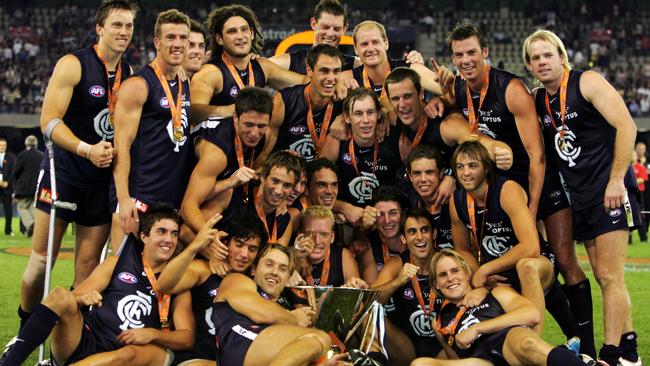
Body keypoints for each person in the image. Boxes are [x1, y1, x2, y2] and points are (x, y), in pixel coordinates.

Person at [523, 29, 642, 365]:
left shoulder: (586, 82)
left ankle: (610, 354)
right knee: (606, 278)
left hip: (610, 190)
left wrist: (617, 180)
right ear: (529, 66)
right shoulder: (538, 99)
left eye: (548, 55)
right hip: (581, 199)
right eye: (535, 58)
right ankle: (630, 353)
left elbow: (627, 126)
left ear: (561, 56)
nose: (543, 62)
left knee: (608, 275)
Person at [18, 0, 137, 332]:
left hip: (101, 182)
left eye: (129, 26)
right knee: (41, 262)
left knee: (87, 267)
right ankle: (25, 326)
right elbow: (48, 121)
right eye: (117, 25)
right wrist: (86, 149)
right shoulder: (73, 64)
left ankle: (73, 336)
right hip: (65, 173)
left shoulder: (130, 76)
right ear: (99, 28)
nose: (124, 32)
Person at [0, 204, 201, 366]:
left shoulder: (179, 282)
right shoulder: (119, 262)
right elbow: (70, 302)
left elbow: (187, 338)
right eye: (162, 232)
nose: (169, 240)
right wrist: (81, 299)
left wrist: (153, 334)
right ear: (144, 236)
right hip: (83, 342)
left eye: (174, 234)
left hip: (121, 355)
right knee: (61, 295)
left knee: (127, 354)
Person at [411, 249, 595, 366]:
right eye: (443, 275)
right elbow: (455, 358)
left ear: (466, 273)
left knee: (526, 342)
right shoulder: (439, 323)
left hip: (509, 342)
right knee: (420, 364)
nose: (450, 278)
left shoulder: (495, 293)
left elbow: (532, 314)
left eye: (455, 271)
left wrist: (477, 328)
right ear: (436, 284)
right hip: (479, 361)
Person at [450, 141, 556, 334]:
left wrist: (486, 269)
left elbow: (531, 247)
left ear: (486, 168)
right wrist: (478, 275)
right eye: (460, 167)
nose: (465, 173)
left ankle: (535, 346)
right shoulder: (456, 200)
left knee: (527, 266)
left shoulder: (507, 190)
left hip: (536, 262)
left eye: (473, 166)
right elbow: (461, 249)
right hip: (497, 275)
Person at [112, 9, 192, 249]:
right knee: (124, 275)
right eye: (171, 37)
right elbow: (121, 146)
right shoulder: (138, 85)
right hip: (140, 197)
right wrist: (124, 199)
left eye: (182, 38)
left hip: (171, 198)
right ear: (157, 42)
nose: (178, 44)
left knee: (160, 279)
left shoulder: (184, 81)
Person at [158, 212, 268, 366]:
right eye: (239, 244)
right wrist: (196, 245)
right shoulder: (203, 270)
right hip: (197, 359)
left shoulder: (255, 280)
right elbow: (164, 285)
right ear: (225, 241)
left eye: (252, 249)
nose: (244, 254)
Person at [180, 87, 273, 244]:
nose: (255, 133)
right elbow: (188, 206)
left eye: (261, 126)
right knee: (189, 232)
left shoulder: (266, 135)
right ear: (235, 117)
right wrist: (210, 238)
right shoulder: (216, 153)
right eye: (248, 125)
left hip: (216, 185)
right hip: (183, 188)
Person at [213, 244, 331, 366]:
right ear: (254, 269)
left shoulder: (285, 306)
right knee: (319, 338)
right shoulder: (237, 280)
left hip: (262, 352)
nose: (275, 272)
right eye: (269, 264)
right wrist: (295, 319)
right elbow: (262, 314)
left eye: (282, 269)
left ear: (288, 278)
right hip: (238, 346)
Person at [190, 4, 307, 122]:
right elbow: (194, 110)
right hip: (216, 138)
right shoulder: (211, 72)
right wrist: (233, 110)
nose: (240, 36)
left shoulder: (262, 66)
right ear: (219, 39)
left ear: (252, 33)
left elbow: (304, 82)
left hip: (252, 136)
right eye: (232, 32)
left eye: (244, 29)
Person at [372, 207, 442, 363]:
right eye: (412, 232)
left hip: (443, 345)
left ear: (434, 234)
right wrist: (397, 282)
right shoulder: (397, 264)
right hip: (407, 346)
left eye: (424, 230)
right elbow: (370, 301)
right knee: (369, 316)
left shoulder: (447, 262)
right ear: (403, 238)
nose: (419, 237)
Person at [264, 44, 345, 163]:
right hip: (288, 176)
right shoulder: (284, 101)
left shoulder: (345, 103)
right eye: (324, 71)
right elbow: (265, 154)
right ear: (309, 70)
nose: (331, 78)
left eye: (336, 71)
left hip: (324, 176)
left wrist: (343, 117)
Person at [321, 87, 402, 207]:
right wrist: (344, 209)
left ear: (378, 114)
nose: (366, 120)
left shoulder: (395, 139)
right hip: (347, 219)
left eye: (370, 112)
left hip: (386, 216)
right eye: (358, 114)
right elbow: (318, 189)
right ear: (347, 117)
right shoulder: (337, 138)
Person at [268, 0, 356, 74]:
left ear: (344, 29)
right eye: (325, 27)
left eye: (336, 29)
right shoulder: (288, 63)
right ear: (313, 24)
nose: (330, 33)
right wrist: (254, 57)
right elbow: (257, 67)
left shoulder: (355, 66)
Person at [292, 205, 360, 286]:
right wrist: (296, 261)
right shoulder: (287, 257)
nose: (317, 241)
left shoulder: (343, 256)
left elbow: (355, 290)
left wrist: (352, 286)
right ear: (299, 234)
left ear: (332, 237)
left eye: (324, 234)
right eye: (310, 234)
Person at [357, 184, 408, 284]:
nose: (387, 221)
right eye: (381, 214)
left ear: (403, 215)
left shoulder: (415, 238)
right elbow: (372, 293)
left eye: (393, 213)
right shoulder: (370, 246)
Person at [14, 135, 43, 238]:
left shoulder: (22, 155)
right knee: (32, 207)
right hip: (37, 188)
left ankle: (31, 224)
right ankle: (38, 229)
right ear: (36, 144)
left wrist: (16, 184)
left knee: (21, 207)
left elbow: (16, 172)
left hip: (24, 187)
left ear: (26, 144)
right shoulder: (41, 155)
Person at [0, 138, 15, 236]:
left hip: (7, 189)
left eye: (4, 145)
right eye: (1, 145)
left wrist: (7, 183)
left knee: (8, 210)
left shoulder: (11, 157)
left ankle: (8, 230)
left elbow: (13, 172)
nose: (3, 147)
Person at [632, 150, 648, 242]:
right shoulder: (626, 167)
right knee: (629, 215)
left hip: (638, 193)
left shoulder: (640, 167)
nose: (632, 156)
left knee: (640, 215)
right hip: (628, 192)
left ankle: (643, 237)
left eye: (634, 154)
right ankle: (629, 240)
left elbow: (642, 179)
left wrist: (631, 182)